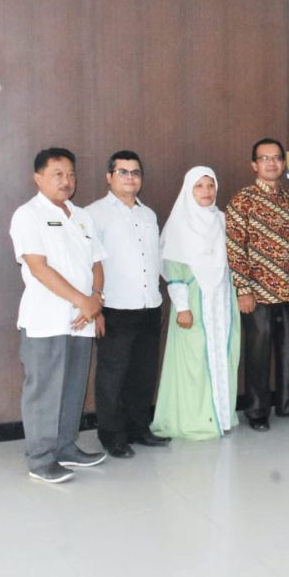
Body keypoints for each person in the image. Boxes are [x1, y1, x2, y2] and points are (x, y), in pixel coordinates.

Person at [9, 147, 107, 483]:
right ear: (39, 178)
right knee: (44, 389)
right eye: (58, 174)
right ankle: (40, 459)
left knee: (72, 386)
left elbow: (96, 262)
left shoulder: (82, 216)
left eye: (71, 174)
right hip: (46, 319)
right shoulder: (27, 215)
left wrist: (95, 299)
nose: (67, 181)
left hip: (81, 318)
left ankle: (66, 447)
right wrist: (83, 300)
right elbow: (38, 267)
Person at [227, 138, 289, 431]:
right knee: (259, 354)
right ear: (254, 164)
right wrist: (243, 289)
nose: (271, 163)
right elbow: (235, 247)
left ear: (284, 163)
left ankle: (288, 404)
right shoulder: (242, 200)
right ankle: (256, 410)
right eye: (265, 159)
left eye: (277, 158)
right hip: (258, 293)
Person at [86, 151, 169, 459]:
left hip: (148, 305)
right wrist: (94, 306)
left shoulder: (148, 215)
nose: (130, 177)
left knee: (143, 372)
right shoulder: (93, 214)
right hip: (115, 307)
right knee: (112, 374)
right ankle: (111, 435)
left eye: (135, 172)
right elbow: (88, 262)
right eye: (123, 172)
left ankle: (138, 428)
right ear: (109, 177)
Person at [150, 167, 241, 440]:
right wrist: (183, 307)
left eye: (210, 185)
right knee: (194, 362)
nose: (206, 191)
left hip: (222, 302)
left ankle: (222, 416)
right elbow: (172, 268)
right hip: (193, 304)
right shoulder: (179, 223)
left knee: (224, 356)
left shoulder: (223, 220)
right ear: (188, 190)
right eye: (199, 186)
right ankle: (194, 419)